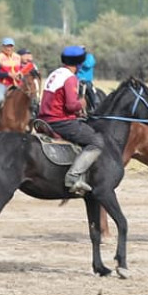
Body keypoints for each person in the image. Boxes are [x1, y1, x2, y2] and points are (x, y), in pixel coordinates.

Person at [38, 46, 104, 194]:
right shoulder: (70, 78)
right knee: (97, 141)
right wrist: (82, 103)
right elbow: (71, 105)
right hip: (60, 122)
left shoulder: (55, 73)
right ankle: (73, 176)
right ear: (79, 63)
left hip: (44, 119)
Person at [0, 37, 22, 128]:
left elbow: (21, 69)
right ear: (2, 47)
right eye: (7, 46)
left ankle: (29, 119)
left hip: (17, 84)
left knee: (29, 96)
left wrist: (20, 74)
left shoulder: (18, 57)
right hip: (3, 84)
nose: (9, 48)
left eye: (10, 46)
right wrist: (8, 74)